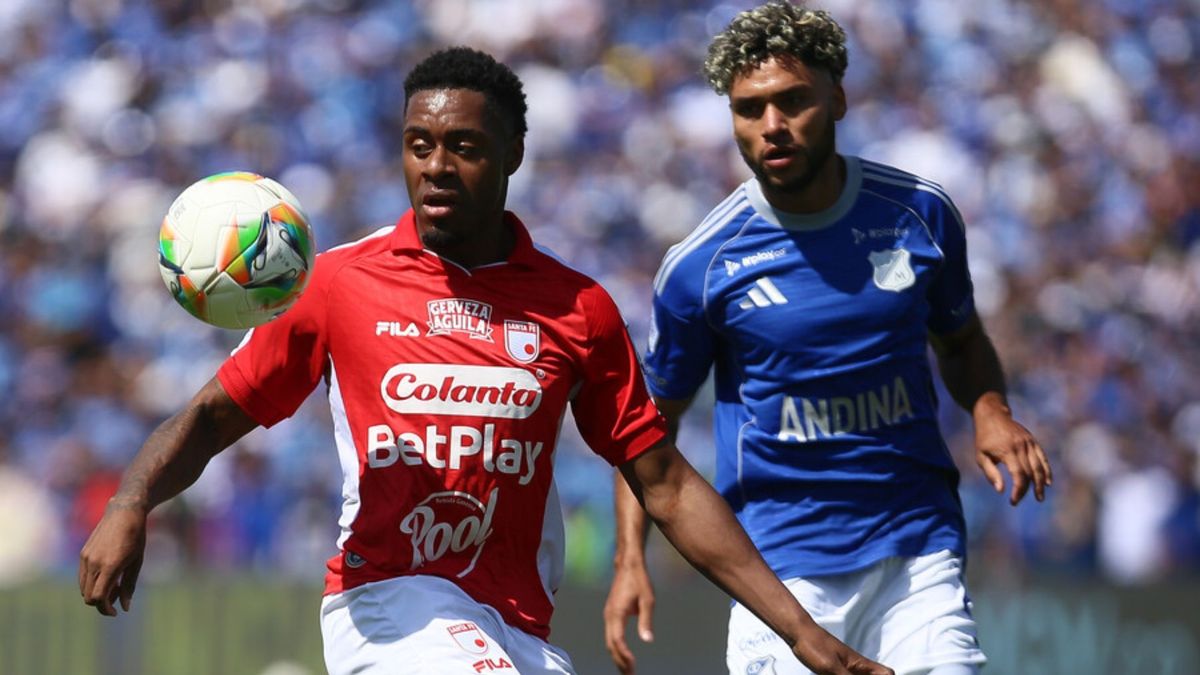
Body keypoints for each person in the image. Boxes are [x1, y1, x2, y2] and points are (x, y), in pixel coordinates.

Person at [78, 47, 892, 675]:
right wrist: (130, 502)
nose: (435, 165)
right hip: (387, 600)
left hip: (516, 623)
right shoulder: (342, 284)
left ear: (513, 152)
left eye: (464, 145)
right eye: (418, 144)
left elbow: (666, 484)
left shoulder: (577, 308)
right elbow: (216, 413)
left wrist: (804, 633)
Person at [603, 3, 1053, 675]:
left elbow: (960, 341)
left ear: (838, 96)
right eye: (749, 110)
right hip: (777, 573)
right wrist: (630, 558)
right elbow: (646, 431)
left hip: (915, 553)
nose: (772, 127)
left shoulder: (920, 215)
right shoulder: (701, 266)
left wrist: (990, 409)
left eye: (792, 101)